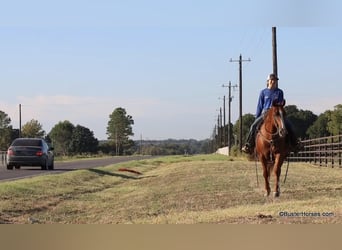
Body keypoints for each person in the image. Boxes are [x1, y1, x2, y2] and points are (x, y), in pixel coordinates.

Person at [242, 73, 301, 154]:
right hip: (265, 113)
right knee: (253, 126)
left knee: (289, 125)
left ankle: (295, 144)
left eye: (275, 80)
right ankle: (248, 145)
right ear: (268, 81)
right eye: (272, 80)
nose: (274, 82)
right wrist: (257, 117)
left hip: (277, 113)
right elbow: (260, 105)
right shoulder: (263, 92)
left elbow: (280, 104)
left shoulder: (279, 92)